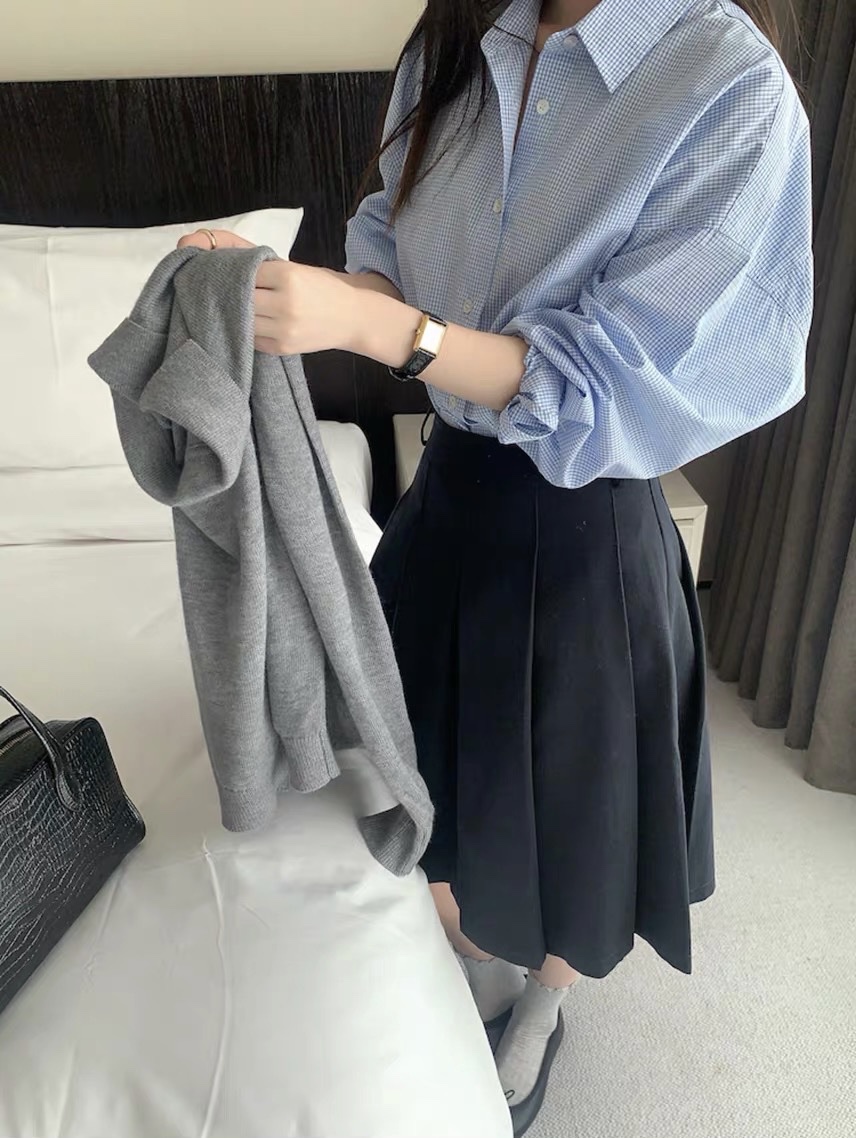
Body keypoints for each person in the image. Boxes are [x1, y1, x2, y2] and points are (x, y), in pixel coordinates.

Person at [181, 0, 813, 1131]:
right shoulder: (456, 38)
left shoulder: (728, 82)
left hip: (584, 534)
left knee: (576, 822)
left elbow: (610, 380)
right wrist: (294, 295)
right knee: (426, 784)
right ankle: (470, 965)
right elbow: (389, 264)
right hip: (447, 500)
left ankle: (545, 1005)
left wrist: (381, 333)